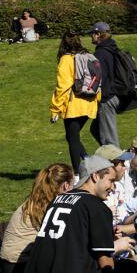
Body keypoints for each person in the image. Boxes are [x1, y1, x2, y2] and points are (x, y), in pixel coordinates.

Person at [11, 155, 137, 273]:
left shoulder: (57, 199)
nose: (112, 187)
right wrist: (116, 249)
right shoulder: (97, 207)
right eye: (110, 181)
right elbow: (104, 259)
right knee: (131, 267)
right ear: (96, 176)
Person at [48, 31, 100, 176]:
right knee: (72, 137)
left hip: (74, 104)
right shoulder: (88, 56)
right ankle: (88, 162)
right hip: (90, 102)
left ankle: (78, 174)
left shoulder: (66, 59)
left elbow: (63, 86)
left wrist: (55, 109)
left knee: (72, 139)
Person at [88, 22, 126, 148]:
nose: (90, 36)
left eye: (92, 33)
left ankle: (119, 164)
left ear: (98, 34)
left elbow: (99, 78)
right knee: (95, 129)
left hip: (107, 98)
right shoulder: (112, 48)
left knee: (110, 140)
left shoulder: (101, 53)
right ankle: (112, 158)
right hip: (115, 94)